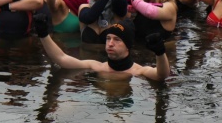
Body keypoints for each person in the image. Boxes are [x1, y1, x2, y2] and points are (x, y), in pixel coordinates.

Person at [33, 16, 171, 82]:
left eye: (117, 40)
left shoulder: (139, 71)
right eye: (108, 38)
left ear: (128, 46)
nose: (110, 43)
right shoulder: (96, 66)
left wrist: (160, 52)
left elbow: (162, 75)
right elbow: (61, 59)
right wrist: (43, 35)